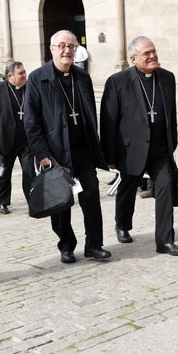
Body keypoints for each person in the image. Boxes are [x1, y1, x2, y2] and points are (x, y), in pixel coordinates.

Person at [24, 30, 111, 264]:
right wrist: (42, 154)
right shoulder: (37, 78)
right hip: (55, 153)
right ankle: (66, 245)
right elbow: (31, 122)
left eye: (71, 46)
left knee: (91, 197)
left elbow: (90, 114)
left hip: (83, 150)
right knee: (60, 202)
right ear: (52, 49)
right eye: (61, 46)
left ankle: (94, 245)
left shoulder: (82, 77)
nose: (66, 50)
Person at [100, 36, 178, 256]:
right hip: (132, 150)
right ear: (133, 58)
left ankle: (165, 241)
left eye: (154, 51)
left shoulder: (167, 78)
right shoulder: (117, 82)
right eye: (146, 53)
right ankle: (122, 224)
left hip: (160, 149)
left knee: (165, 189)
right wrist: (109, 156)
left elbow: (171, 112)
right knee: (127, 190)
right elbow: (109, 122)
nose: (152, 56)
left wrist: (172, 142)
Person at [0, 60, 36, 214]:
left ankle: (33, 201)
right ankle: (3, 202)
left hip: (26, 141)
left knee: (29, 172)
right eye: (20, 73)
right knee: (4, 174)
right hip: (4, 141)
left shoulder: (30, 89)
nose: (24, 75)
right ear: (10, 76)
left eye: (24, 72)